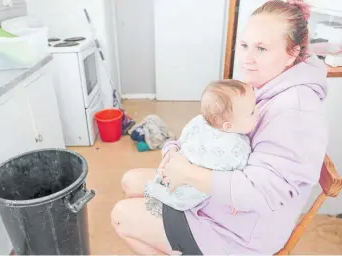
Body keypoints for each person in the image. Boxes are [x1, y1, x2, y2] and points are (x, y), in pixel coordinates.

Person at [110, 0, 329, 255]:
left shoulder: (296, 111)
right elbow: (217, 132)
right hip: (221, 201)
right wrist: (174, 151)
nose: (247, 59)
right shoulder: (267, 84)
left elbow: (261, 192)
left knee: (121, 216)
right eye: (245, 45)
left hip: (239, 233)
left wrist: (189, 172)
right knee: (130, 181)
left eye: (261, 48)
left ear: (292, 53)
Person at [144, 80, 256, 212]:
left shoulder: (198, 122)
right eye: (252, 112)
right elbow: (236, 180)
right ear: (228, 126)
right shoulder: (238, 147)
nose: (258, 112)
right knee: (183, 198)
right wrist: (233, 200)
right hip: (191, 189)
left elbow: (180, 142)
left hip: (170, 172)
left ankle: (157, 191)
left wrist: (170, 151)